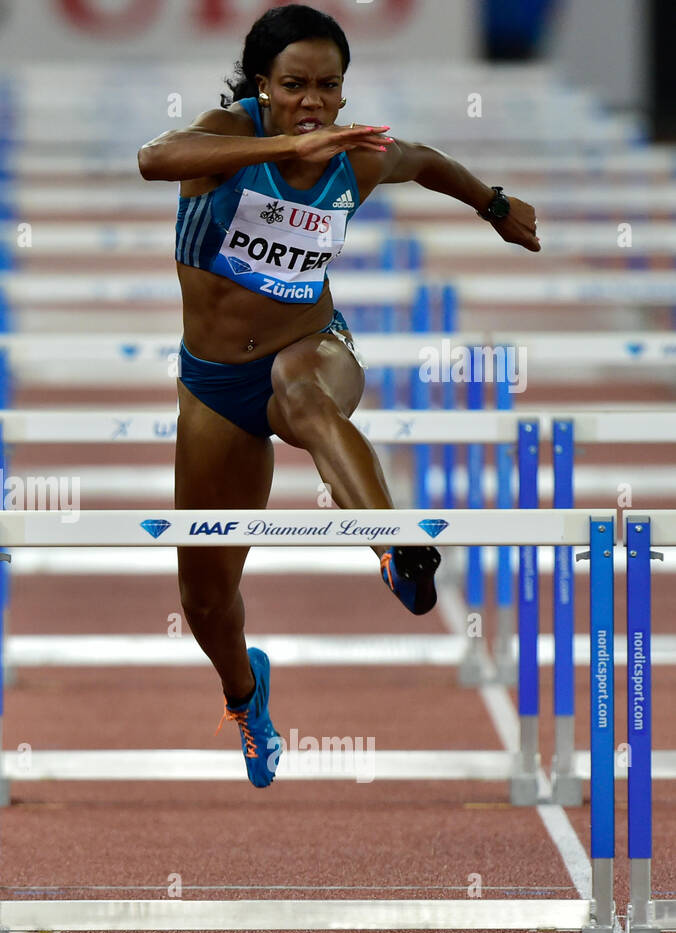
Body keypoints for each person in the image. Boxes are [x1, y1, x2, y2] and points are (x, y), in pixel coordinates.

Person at [137, 4, 539, 787]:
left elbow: (422, 160)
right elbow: (154, 157)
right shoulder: (225, 138)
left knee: (303, 393)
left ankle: (395, 548)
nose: (313, 101)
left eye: (328, 86)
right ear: (262, 87)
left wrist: (493, 206)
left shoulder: (357, 160)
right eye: (294, 86)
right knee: (205, 599)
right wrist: (288, 142)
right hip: (216, 385)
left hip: (314, 347)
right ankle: (245, 695)